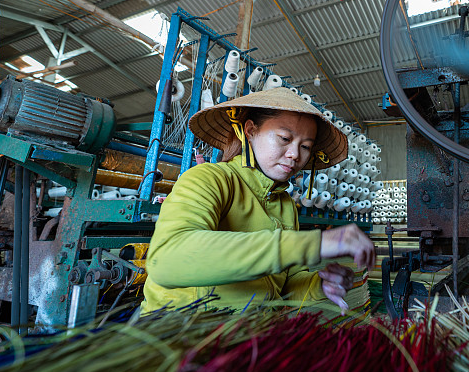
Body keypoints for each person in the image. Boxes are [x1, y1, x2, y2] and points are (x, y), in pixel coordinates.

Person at [140, 86, 376, 314]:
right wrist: (313, 244)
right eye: (284, 138)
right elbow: (168, 259)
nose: (295, 155)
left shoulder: (285, 207)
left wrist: (320, 285)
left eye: (305, 146)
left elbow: (282, 288)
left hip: (248, 339)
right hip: (180, 336)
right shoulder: (210, 179)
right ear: (250, 131)